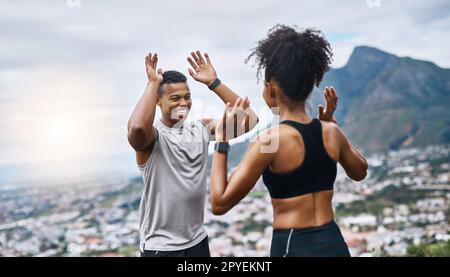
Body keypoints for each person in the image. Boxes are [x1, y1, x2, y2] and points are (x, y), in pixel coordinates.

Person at [209, 25, 368, 257]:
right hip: (333, 243)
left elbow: (219, 203)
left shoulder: (269, 140)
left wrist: (222, 141)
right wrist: (331, 125)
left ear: (271, 88)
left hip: (293, 246)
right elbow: (360, 172)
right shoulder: (331, 132)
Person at [127, 50, 258, 257]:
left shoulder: (200, 128)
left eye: (187, 97)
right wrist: (152, 84)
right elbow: (136, 130)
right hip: (163, 248)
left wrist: (214, 83)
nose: (183, 103)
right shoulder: (154, 138)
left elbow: (250, 121)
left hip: (197, 240)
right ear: (158, 101)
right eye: (175, 98)